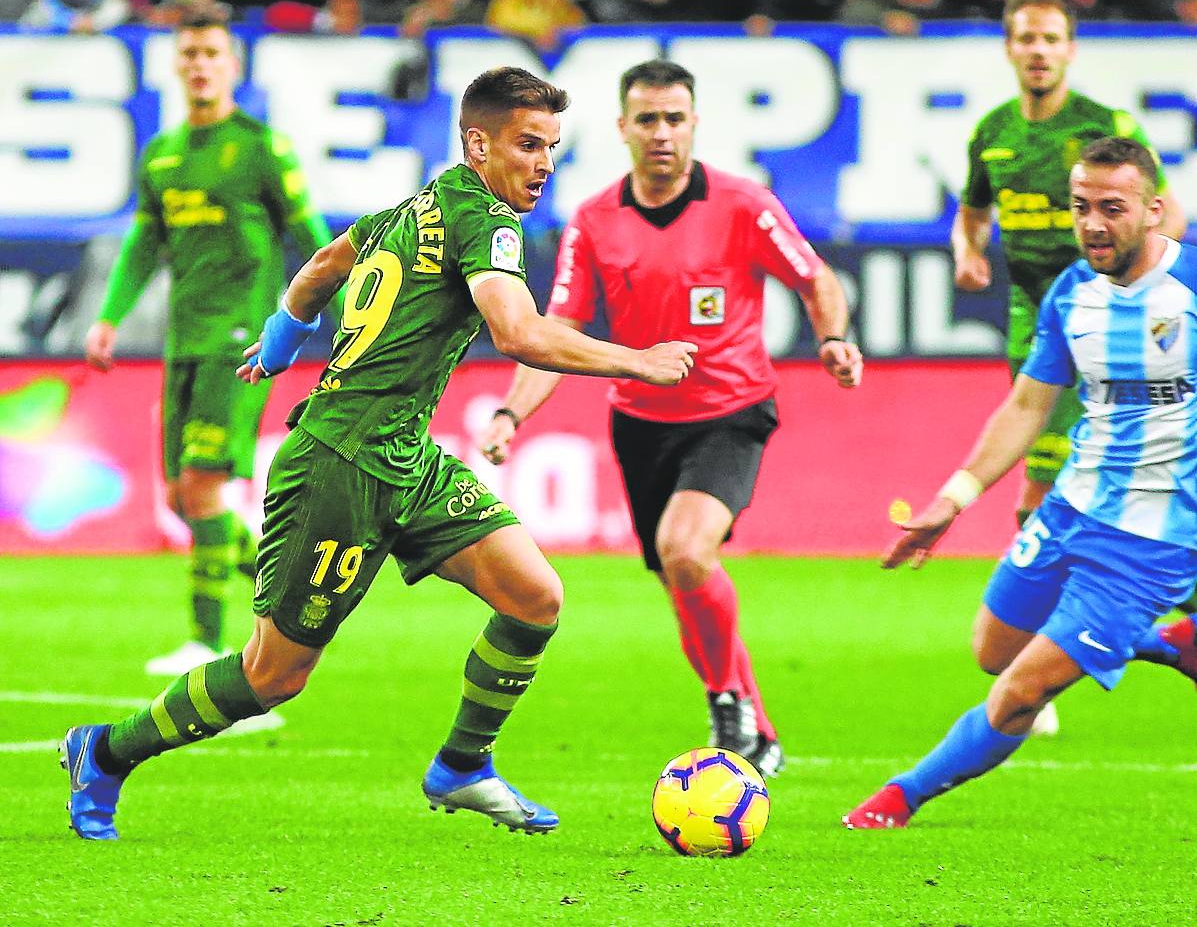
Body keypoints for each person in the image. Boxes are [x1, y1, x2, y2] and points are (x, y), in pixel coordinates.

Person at [60, 66, 698, 841]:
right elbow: (519, 333)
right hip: (338, 462)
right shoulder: (486, 221)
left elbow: (328, 263)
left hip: (402, 455)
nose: (543, 163)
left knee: (535, 597)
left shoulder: (415, 206)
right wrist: (639, 360)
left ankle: (462, 765)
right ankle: (106, 751)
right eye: (528, 144)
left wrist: (285, 334)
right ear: (478, 143)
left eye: (552, 147)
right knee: (273, 675)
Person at [476, 59, 863, 780]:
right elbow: (554, 329)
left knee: (685, 551)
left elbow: (813, 278)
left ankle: (724, 701)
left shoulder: (744, 205)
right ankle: (754, 726)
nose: (661, 133)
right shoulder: (594, 222)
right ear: (623, 128)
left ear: (694, 124)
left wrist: (833, 336)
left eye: (674, 118)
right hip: (640, 424)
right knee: (684, 578)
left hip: (731, 412)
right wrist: (509, 412)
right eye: (647, 119)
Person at [844, 137, 1197, 830]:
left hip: (1148, 547)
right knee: (992, 649)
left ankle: (899, 797)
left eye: (1112, 208)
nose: (1092, 223)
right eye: (1080, 207)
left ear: (1154, 211)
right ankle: (1166, 643)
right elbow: (1027, 406)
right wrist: (952, 499)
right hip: (1068, 510)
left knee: (1018, 692)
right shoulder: (1071, 294)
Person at [951, 0, 1186, 734]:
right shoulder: (991, 132)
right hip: (1041, 319)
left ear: (1069, 48)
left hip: (1119, 318)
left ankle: (1084, 641)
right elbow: (972, 212)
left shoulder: (1103, 127)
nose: (1037, 51)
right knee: (1043, 478)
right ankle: (1045, 659)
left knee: (1120, 475)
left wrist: (1152, 283)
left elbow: (1164, 207)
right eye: (1025, 38)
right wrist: (966, 252)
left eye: (1050, 38)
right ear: (1009, 47)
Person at [83, 15, 333, 677]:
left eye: (211, 54)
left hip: (240, 341)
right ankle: (299, 596)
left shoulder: (260, 148)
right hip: (182, 343)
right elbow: (143, 244)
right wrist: (110, 317)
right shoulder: (162, 154)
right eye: (189, 53)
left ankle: (210, 643)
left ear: (233, 66)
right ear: (175, 64)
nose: (199, 65)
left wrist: (351, 307)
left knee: (201, 490)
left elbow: (311, 235)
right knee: (178, 497)